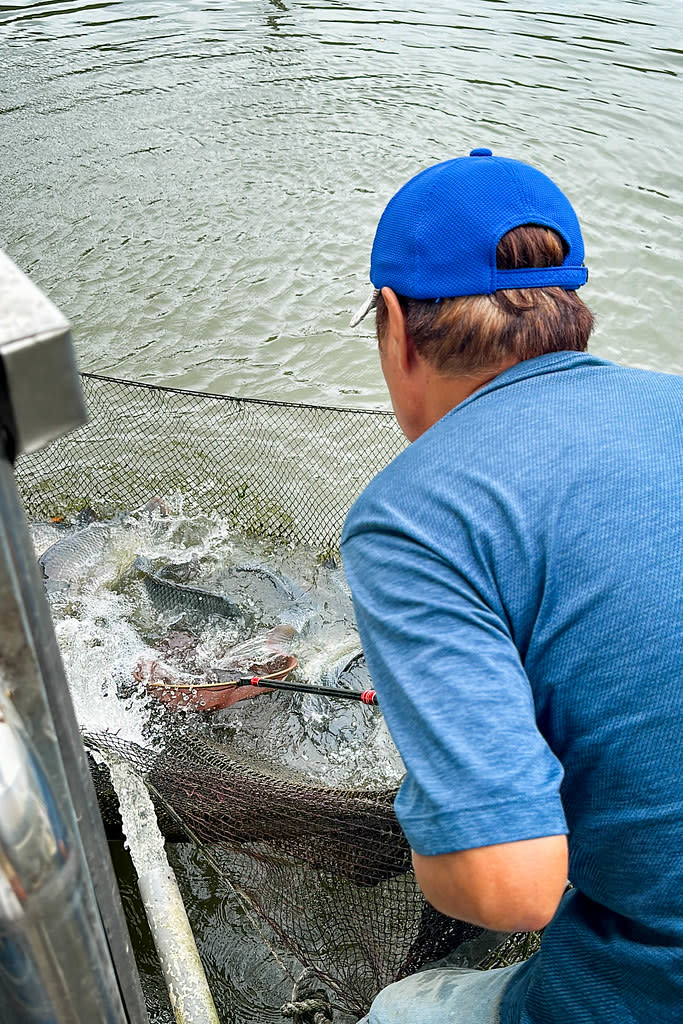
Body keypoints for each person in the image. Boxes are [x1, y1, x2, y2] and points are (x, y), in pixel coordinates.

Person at [341, 148, 683, 1023]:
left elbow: (512, 891)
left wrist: (440, 791)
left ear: (393, 322)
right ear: (570, 311)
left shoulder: (414, 513)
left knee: (402, 1008)